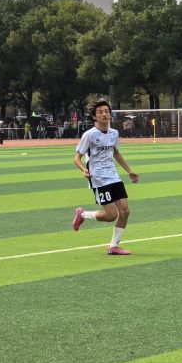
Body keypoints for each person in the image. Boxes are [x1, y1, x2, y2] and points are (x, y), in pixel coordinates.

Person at [71, 100, 140, 256]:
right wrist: (83, 169)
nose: (104, 114)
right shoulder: (89, 135)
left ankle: (114, 246)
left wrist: (130, 171)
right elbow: (76, 157)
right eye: (100, 112)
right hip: (98, 178)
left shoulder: (114, 133)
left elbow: (116, 153)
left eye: (106, 111)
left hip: (113, 176)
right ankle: (82, 214)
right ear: (94, 116)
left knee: (125, 212)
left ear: (110, 114)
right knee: (111, 215)